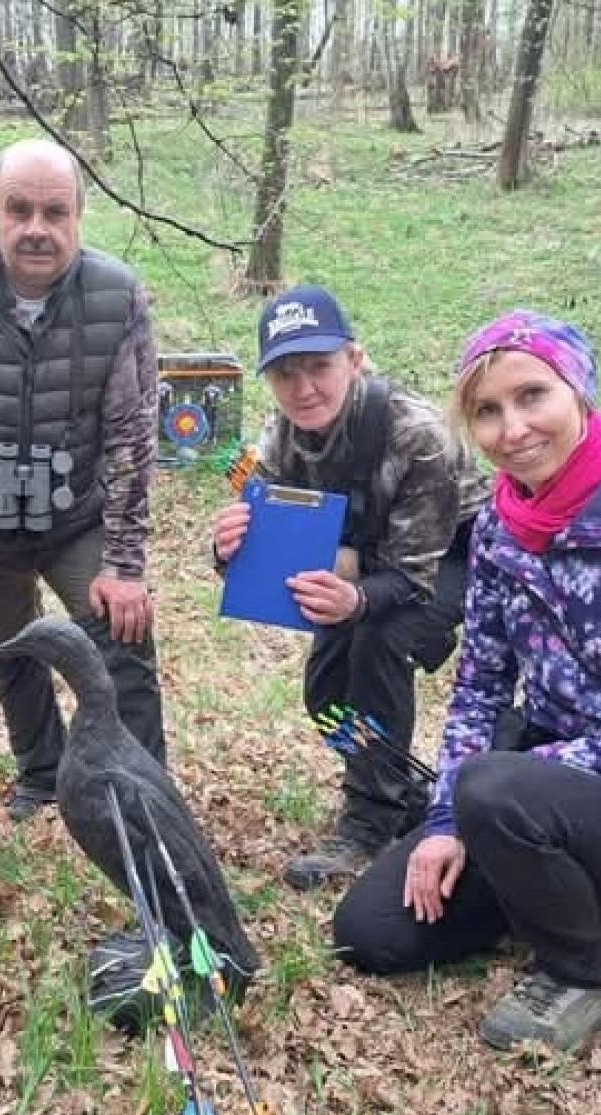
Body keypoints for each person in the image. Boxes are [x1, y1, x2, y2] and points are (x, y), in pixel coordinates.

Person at [331, 311, 601, 1052]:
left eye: (533, 396)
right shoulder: (501, 527)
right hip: (534, 795)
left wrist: (528, 775)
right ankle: (531, 874)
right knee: (371, 933)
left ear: (579, 390)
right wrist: (443, 826)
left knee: (497, 788)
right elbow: (480, 687)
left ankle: (586, 968)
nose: (513, 429)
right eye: (487, 412)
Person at [0, 138, 166, 821]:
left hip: (77, 515)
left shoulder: (117, 296)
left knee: (121, 636)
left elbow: (133, 433)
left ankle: (141, 788)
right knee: (12, 650)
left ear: (78, 218)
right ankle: (42, 774)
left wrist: (124, 562)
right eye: (19, 210)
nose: (36, 229)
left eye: (55, 212)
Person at [211, 285, 486, 891]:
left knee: (377, 644)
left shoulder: (419, 436)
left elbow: (414, 574)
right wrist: (228, 548)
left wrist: (355, 601)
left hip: (452, 558)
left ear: (355, 360)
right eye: (285, 373)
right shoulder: (279, 434)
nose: (303, 388)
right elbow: (272, 544)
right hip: (363, 554)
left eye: (319, 366)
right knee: (326, 695)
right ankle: (403, 783)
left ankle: (370, 820)